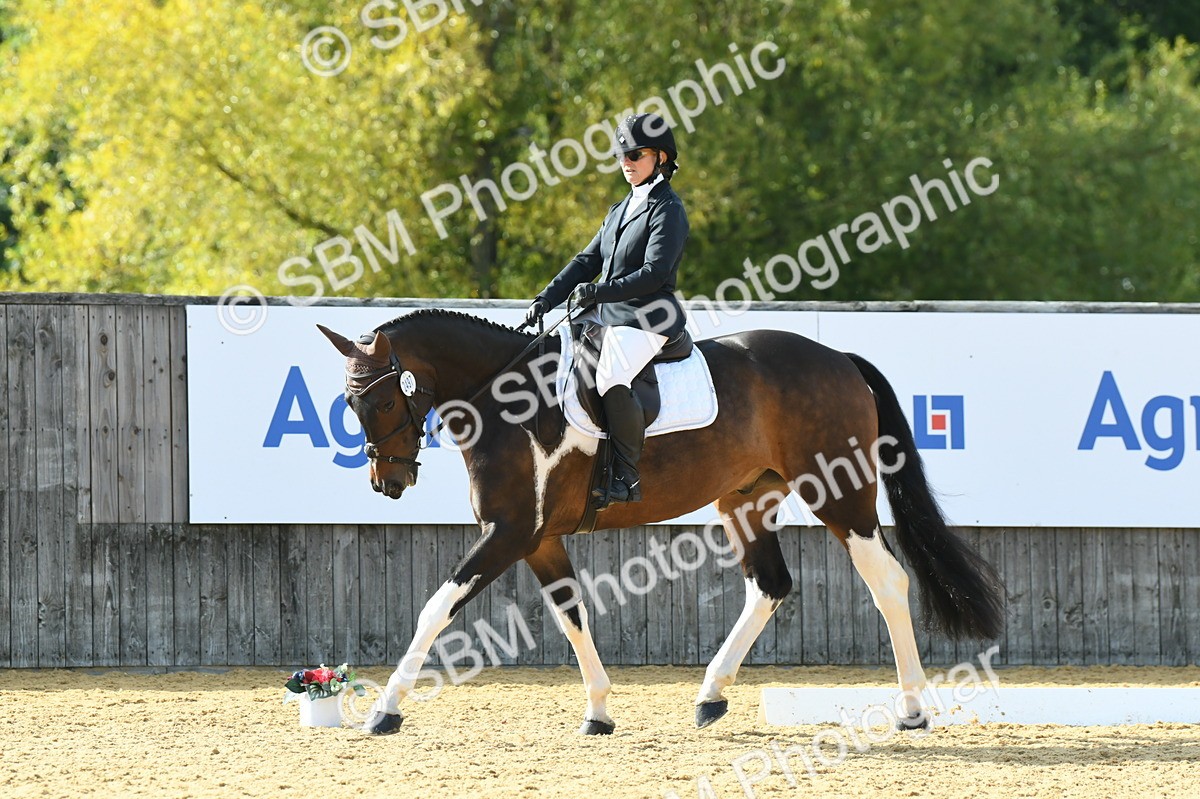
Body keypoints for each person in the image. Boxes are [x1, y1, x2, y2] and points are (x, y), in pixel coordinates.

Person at [524, 112, 690, 508]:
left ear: (661, 158)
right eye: (621, 156)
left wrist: (598, 293)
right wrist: (545, 298)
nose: (626, 163)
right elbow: (586, 261)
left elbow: (654, 273)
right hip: (609, 311)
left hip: (650, 315)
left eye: (635, 154)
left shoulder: (668, 209)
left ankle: (628, 476)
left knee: (611, 376)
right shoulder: (621, 209)